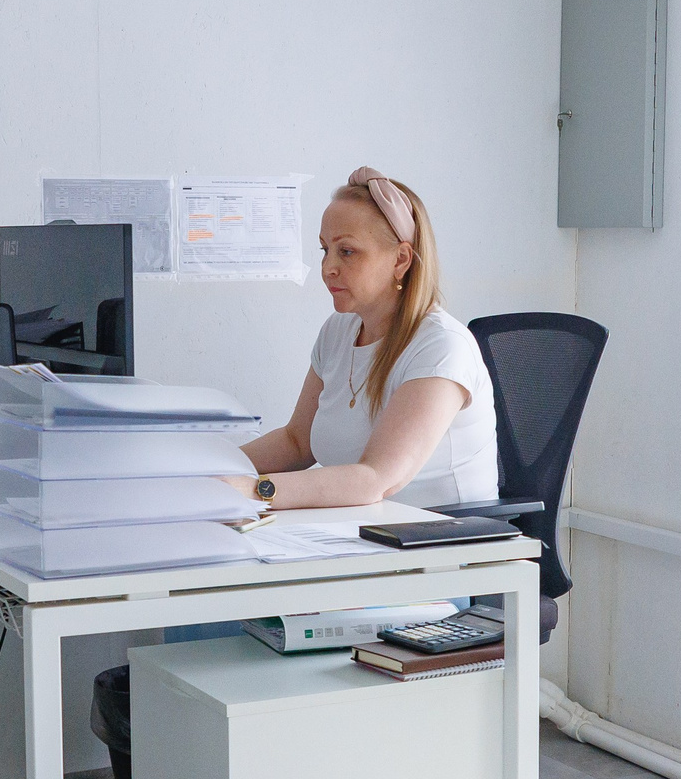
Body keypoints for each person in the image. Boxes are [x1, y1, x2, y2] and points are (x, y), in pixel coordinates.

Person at [163, 167, 495, 644]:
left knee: (217, 617)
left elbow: (377, 478)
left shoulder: (442, 348)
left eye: (347, 252)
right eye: (324, 250)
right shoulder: (339, 332)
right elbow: (297, 441)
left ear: (401, 259)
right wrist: (199, 473)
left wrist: (253, 491)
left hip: (433, 568)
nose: (327, 268)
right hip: (355, 546)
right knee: (198, 596)